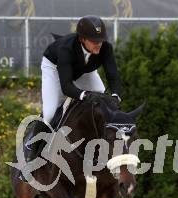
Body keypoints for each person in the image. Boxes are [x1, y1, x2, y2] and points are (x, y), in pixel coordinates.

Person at [23, 15, 122, 163]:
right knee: (50, 112)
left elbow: (113, 76)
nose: (99, 44)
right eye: (94, 41)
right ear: (82, 39)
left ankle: (102, 145)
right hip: (55, 69)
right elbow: (66, 87)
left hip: (85, 70)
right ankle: (32, 151)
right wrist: (84, 95)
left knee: (104, 101)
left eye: (101, 40)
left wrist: (115, 96)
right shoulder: (66, 48)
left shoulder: (106, 48)